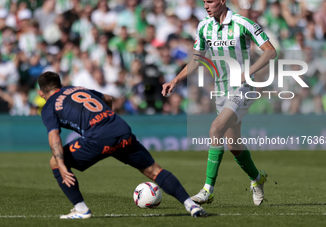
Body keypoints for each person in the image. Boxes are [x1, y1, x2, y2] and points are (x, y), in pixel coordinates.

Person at [162, 0, 277, 206]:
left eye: (210, 2)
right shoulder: (204, 27)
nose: (205, 6)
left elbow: (270, 51)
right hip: (221, 90)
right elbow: (196, 59)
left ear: (222, 1)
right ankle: (257, 178)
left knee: (215, 128)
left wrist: (247, 73)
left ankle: (208, 190)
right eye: (203, 1)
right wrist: (175, 80)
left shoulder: (243, 23)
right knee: (233, 144)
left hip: (243, 89)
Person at [38, 71, 207, 219]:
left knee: (55, 162)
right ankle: (191, 205)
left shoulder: (48, 107)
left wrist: (61, 164)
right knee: (154, 170)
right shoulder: (77, 89)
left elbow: (54, 136)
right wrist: (107, 120)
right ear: (61, 84)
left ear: (41, 93)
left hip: (98, 138)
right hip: (120, 128)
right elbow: (109, 98)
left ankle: (81, 210)